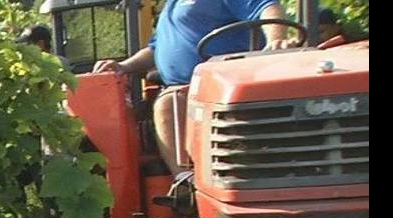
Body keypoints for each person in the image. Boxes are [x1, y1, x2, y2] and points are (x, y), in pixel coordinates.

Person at [92, 0, 296, 174]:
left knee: (168, 105)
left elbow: (267, 7)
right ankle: (187, 183)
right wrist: (123, 66)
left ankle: (189, 184)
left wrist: (276, 41)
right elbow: (156, 48)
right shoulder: (171, 5)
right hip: (185, 87)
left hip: (220, 82)